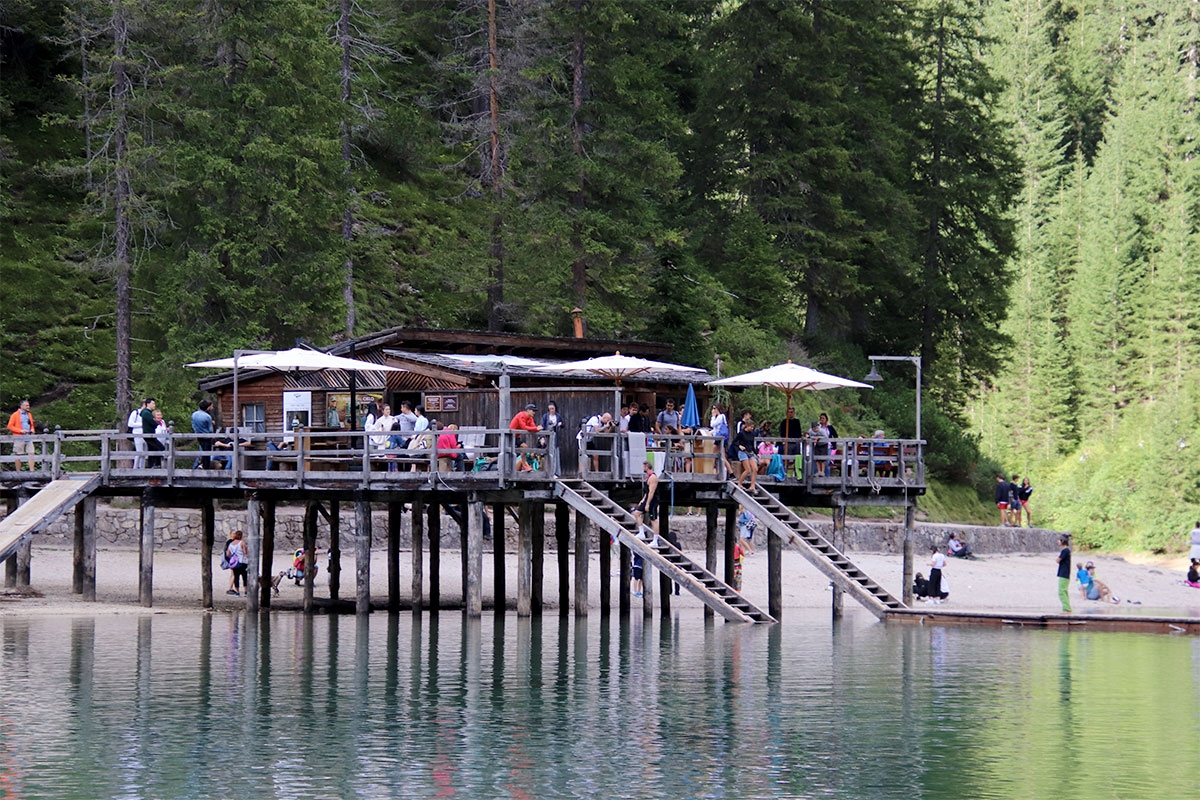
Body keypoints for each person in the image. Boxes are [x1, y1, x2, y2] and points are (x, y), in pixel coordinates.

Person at [6, 399, 36, 471]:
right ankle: (18, 473)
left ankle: (32, 472)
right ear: (21, 406)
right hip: (19, 437)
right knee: (18, 455)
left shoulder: (29, 414)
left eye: (28, 405)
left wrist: (32, 430)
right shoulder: (15, 415)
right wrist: (20, 431)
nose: (28, 407)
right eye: (26, 405)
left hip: (28, 437)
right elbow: (9, 426)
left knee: (31, 453)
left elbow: (31, 424)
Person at [632, 460, 659, 535]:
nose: (643, 468)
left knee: (653, 519)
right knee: (636, 513)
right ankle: (641, 533)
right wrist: (643, 499)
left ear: (647, 467)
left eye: (643, 466)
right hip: (647, 499)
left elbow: (651, 492)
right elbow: (647, 491)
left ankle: (655, 540)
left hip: (652, 500)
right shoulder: (648, 477)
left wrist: (647, 504)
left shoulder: (653, 477)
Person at [731, 420, 759, 489]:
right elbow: (734, 442)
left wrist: (757, 453)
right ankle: (740, 483)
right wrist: (739, 446)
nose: (752, 429)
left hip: (750, 452)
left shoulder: (752, 434)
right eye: (751, 427)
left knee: (755, 469)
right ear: (747, 426)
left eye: (753, 427)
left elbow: (752, 445)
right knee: (748, 470)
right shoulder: (741, 433)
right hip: (743, 452)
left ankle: (752, 485)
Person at [224, 530, 249, 596]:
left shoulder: (230, 544)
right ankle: (246, 591)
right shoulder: (242, 543)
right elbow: (245, 552)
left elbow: (228, 554)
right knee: (245, 577)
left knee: (236, 577)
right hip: (242, 562)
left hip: (235, 563)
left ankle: (237, 592)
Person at [191, 400, 215, 469]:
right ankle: (205, 468)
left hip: (198, 435)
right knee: (207, 454)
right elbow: (210, 430)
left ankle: (196, 467)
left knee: (201, 451)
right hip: (207, 437)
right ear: (208, 407)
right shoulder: (207, 417)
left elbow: (193, 425)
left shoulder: (194, 414)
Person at [127, 398, 147, 468]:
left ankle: (142, 468)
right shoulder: (135, 412)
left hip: (146, 434)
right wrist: (142, 424)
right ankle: (135, 468)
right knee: (139, 451)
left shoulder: (148, 414)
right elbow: (130, 424)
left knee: (145, 452)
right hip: (137, 434)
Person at [1056, 536, 1072, 612]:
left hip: (1064, 573)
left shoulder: (1065, 551)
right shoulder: (1067, 551)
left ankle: (1067, 608)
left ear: (1062, 541)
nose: (1058, 542)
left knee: (1061, 591)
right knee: (1064, 591)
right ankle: (1066, 608)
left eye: (1059, 540)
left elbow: (1058, 560)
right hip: (1065, 573)